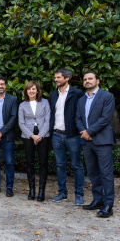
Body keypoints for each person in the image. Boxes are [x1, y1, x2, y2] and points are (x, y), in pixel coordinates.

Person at [76, 71, 115, 218]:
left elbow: (105, 118)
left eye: (90, 79)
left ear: (97, 81)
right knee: (93, 174)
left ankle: (108, 205)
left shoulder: (107, 96)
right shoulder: (81, 100)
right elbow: (78, 118)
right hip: (87, 142)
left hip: (102, 141)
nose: (87, 81)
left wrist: (89, 132)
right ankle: (98, 200)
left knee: (106, 174)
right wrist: (84, 132)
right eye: (85, 79)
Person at [48, 68, 85, 205]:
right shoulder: (53, 95)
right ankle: (62, 192)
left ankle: (79, 195)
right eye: (55, 77)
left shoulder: (77, 93)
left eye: (58, 77)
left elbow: (82, 113)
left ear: (67, 78)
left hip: (73, 136)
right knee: (60, 165)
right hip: (57, 134)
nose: (56, 79)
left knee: (77, 165)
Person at [18, 81, 51, 201]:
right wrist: (32, 136)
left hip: (43, 135)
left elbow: (48, 121)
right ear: (26, 91)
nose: (31, 91)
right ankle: (31, 190)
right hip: (28, 136)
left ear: (37, 90)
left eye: (33, 89)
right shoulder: (22, 105)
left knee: (43, 163)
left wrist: (40, 136)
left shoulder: (45, 102)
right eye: (29, 89)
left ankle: (41, 191)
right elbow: (21, 123)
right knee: (30, 163)